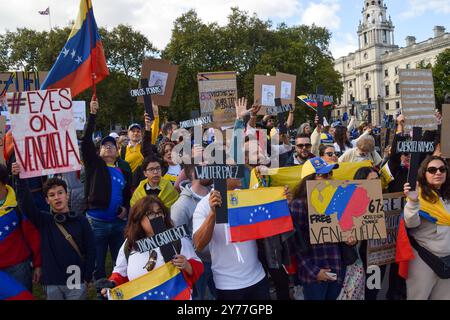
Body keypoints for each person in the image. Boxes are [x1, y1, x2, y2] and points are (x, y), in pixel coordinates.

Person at [13, 164, 95, 300]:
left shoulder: (81, 221)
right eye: (52, 195)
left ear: (66, 194)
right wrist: (19, 179)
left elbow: (91, 250)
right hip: (52, 281)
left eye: (60, 193)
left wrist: (86, 276)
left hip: (75, 279)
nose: (57, 197)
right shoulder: (43, 220)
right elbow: (26, 205)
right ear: (47, 200)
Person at [101, 195, 203, 299]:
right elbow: (120, 273)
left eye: (159, 212)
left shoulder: (176, 239)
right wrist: (111, 284)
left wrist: (186, 265)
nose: (156, 217)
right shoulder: (130, 244)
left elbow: (198, 266)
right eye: (150, 214)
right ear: (139, 218)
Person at [290, 157, 357, 300]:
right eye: (323, 175)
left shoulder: (336, 200)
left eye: (329, 174)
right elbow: (295, 245)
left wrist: (350, 240)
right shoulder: (298, 205)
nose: (328, 178)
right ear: (309, 179)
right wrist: (314, 272)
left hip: (337, 267)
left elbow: (343, 231)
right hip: (315, 274)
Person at [193, 178, 270, 300]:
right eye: (234, 168)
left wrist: (281, 198)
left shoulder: (245, 196)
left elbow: (267, 220)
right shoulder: (203, 205)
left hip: (258, 277)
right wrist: (213, 214)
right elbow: (198, 244)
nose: (239, 172)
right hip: (227, 286)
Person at [82, 98, 131, 281]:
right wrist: (92, 115)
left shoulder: (123, 171)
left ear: (118, 152)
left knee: (120, 262)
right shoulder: (94, 165)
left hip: (118, 225)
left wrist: (125, 208)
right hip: (97, 223)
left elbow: (126, 195)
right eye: (105, 145)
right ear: (99, 152)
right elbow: (86, 140)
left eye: (112, 145)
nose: (109, 147)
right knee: (98, 263)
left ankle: (118, 290)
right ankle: (100, 289)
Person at [403, 156, 450, 300]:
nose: (438, 173)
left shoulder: (448, 195)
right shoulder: (419, 196)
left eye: (442, 169)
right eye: (432, 170)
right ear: (424, 173)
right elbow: (411, 223)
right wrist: (412, 201)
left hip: (447, 259)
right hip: (424, 260)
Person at [170, 162, 216, 300]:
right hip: (198, 264)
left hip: (220, 259)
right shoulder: (181, 206)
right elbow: (177, 241)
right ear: (192, 173)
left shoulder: (215, 194)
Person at [0, 164, 41, 292]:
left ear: (2, 182)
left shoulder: (19, 205)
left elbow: (33, 237)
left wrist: (38, 265)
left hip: (18, 268)